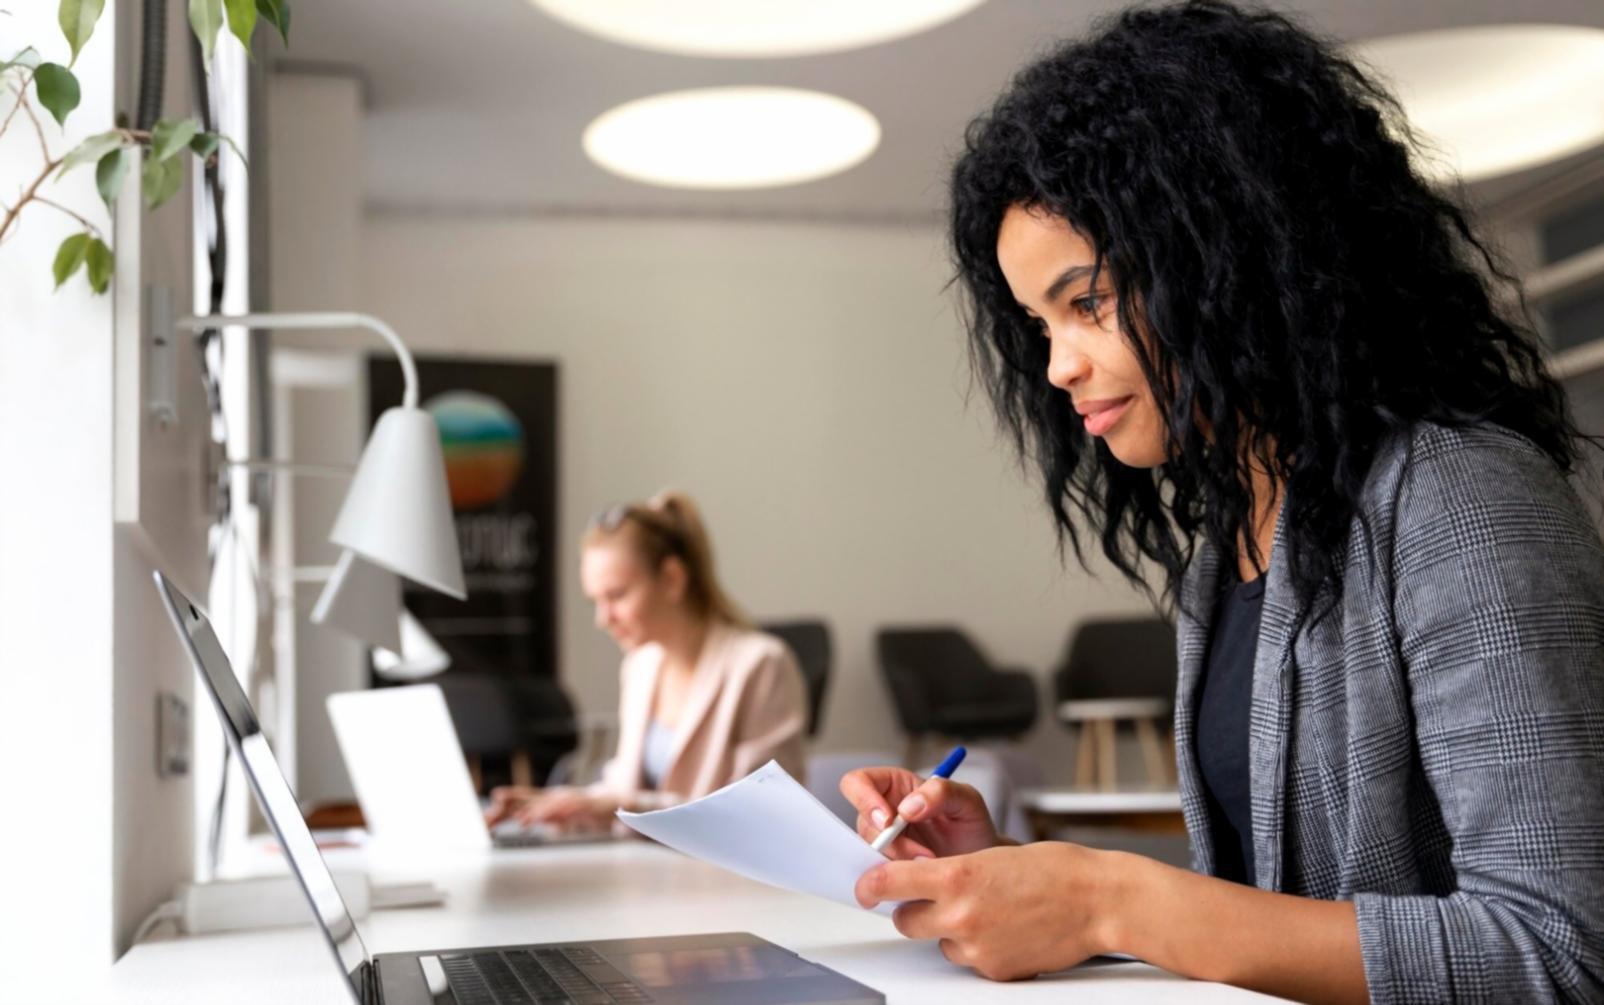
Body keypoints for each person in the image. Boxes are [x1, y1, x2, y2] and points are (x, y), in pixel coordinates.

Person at [840, 3, 1604, 1002]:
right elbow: (1269, 913)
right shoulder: (1231, 538)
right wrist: (1016, 871)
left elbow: (1556, 948)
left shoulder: (1457, 495)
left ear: (1228, 257)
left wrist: (1105, 899)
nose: (1059, 367)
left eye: (1087, 303)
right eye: (1037, 326)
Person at [486, 490, 807, 831]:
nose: (602, 618)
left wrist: (617, 805)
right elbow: (623, 788)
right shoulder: (641, 666)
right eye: (595, 600)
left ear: (672, 579)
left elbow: (762, 813)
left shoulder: (761, 664)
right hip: (652, 870)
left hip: (727, 879)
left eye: (616, 595)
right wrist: (559, 802)